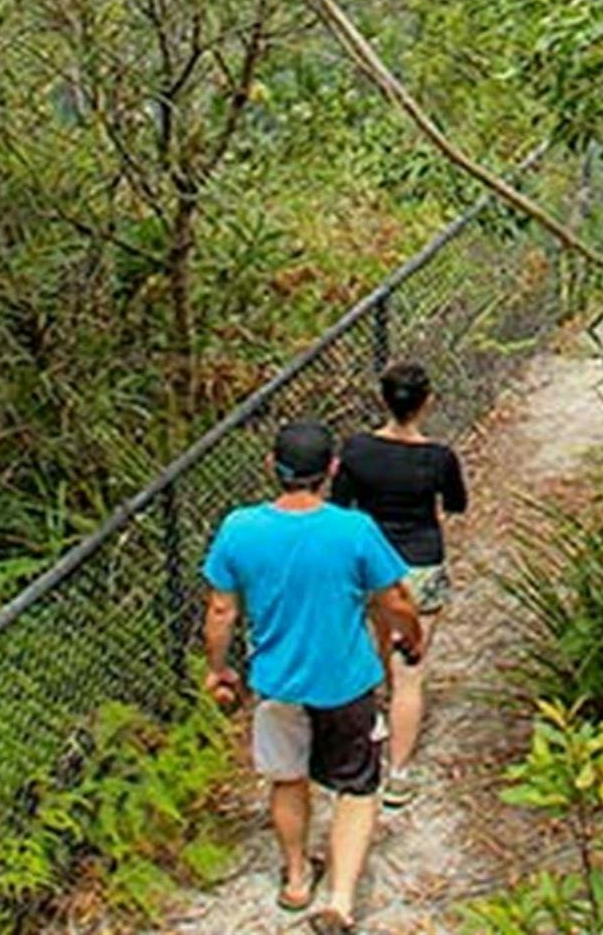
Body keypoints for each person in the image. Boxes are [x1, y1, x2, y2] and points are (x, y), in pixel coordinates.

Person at [202, 417, 424, 934]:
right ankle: (340, 902)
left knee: (286, 776)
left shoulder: (239, 528)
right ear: (332, 469)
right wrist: (410, 636)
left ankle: (297, 877)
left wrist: (219, 670)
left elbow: (220, 610)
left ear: (271, 468)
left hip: (276, 682)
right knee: (357, 786)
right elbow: (393, 599)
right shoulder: (353, 529)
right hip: (346, 681)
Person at [331, 362, 467, 808]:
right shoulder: (438, 457)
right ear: (427, 401)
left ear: (383, 400)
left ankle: (378, 725)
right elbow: (457, 504)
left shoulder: (356, 450)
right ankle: (400, 772)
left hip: (371, 562)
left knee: (382, 644)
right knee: (413, 669)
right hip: (421, 563)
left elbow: (341, 504)